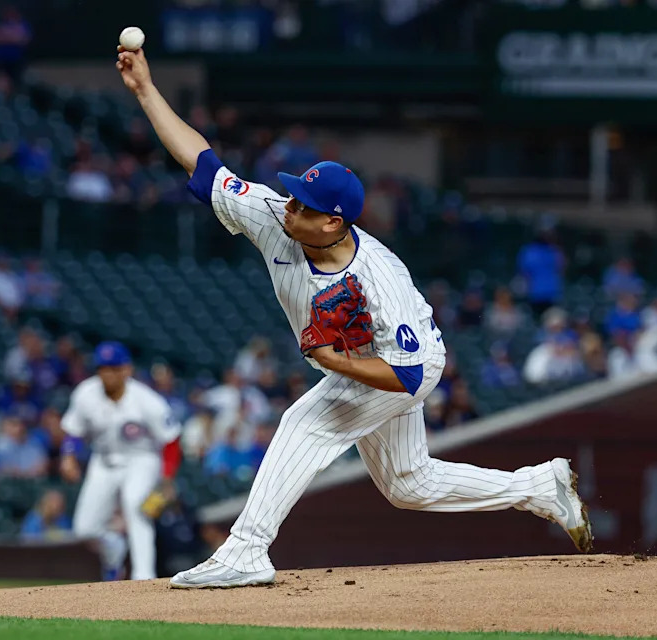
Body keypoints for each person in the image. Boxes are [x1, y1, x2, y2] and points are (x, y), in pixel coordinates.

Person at [115, 44, 592, 589]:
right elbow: (204, 164)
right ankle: (538, 488)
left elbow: (409, 376)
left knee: (305, 422)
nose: (288, 207)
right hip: (358, 361)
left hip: (405, 364)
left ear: (334, 223)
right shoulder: (275, 218)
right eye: (293, 197)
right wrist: (147, 91)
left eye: (303, 206)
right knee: (409, 485)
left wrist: (333, 361)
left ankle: (246, 550)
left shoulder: (379, 278)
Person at [60, 341, 182, 581]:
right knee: (84, 529)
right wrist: (68, 457)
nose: (108, 373)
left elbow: (171, 440)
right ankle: (113, 546)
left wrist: (167, 478)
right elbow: (73, 431)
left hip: (142, 459)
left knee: (136, 507)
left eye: (114, 367)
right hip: (103, 461)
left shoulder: (147, 400)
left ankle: (143, 577)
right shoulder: (86, 393)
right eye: (103, 368)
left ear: (127, 369)